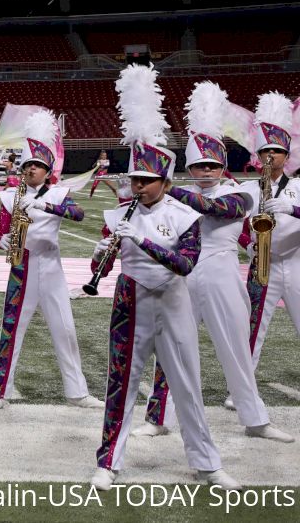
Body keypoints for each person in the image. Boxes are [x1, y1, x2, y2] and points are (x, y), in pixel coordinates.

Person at [88, 63, 239, 492]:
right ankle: (108, 461)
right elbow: (104, 256)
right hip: (129, 300)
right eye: (135, 178)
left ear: (165, 179)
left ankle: (207, 463)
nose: (137, 186)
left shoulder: (186, 214)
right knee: (121, 382)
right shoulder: (118, 213)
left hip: (174, 302)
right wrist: (102, 253)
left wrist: (144, 240)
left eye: (146, 180)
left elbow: (186, 264)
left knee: (187, 385)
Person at [128, 83, 292, 444]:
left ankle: (255, 419)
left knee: (236, 346)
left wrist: (166, 188)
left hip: (221, 272)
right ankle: (158, 418)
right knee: (171, 350)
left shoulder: (243, 190)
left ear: (222, 165)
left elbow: (219, 210)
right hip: (182, 276)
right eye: (199, 165)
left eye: (212, 164)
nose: (205, 171)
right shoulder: (170, 199)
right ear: (190, 166)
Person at [0, 109, 102, 411]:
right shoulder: (10, 196)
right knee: (11, 329)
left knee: (65, 328)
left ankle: (77, 392)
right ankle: (0, 393)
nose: (32, 169)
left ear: (48, 171)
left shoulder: (60, 194)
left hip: (50, 267)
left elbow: (78, 215)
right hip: (21, 268)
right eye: (28, 165)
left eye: (38, 165)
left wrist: (44, 204)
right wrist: (3, 241)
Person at [243, 92, 300, 371]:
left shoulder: (299, 187)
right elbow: (235, 223)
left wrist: (293, 209)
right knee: (252, 326)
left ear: (286, 156)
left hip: (296, 261)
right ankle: (242, 387)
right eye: (266, 151)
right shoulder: (246, 189)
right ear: (258, 155)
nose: (270, 156)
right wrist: (246, 242)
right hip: (262, 264)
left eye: (276, 151)